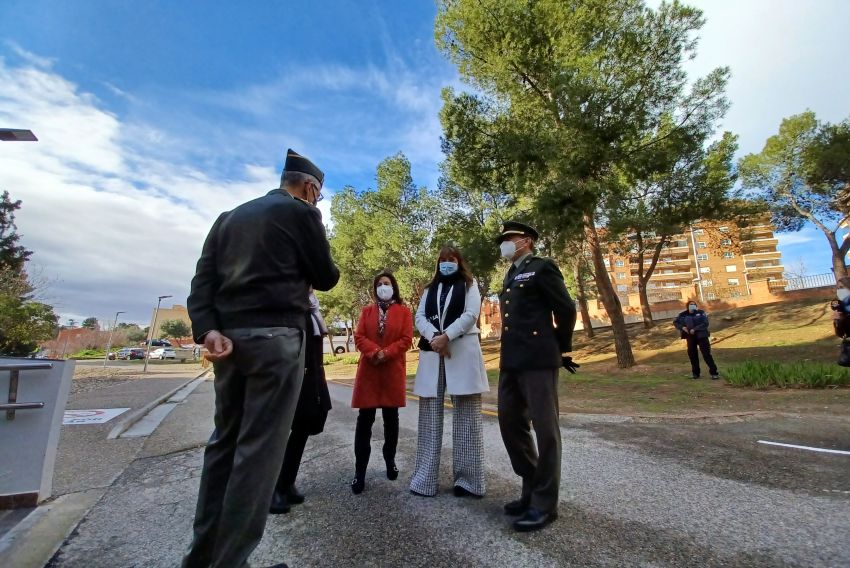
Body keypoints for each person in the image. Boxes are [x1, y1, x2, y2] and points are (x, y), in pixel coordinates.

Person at [182, 149, 339, 568]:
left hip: (228, 343)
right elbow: (326, 276)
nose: (316, 202)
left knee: (224, 446)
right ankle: (231, 562)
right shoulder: (302, 214)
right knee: (258, 455)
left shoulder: (228, 217)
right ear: (310, 187)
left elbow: (202, 284)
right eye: (318, 196)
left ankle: (202, 558)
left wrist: (208, 330)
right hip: (277, 340)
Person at [496, 221, 577, 533]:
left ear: (526, 240)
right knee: (509, 424)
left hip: (538, 361)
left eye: (509, 238)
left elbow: (566, 308)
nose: (504, 244)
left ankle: (544, 505)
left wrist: (561, 347)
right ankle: (531, 487)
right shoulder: (511, 273)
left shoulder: (542, 267)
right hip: (511, 361)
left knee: (546, 433)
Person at [409, 246, 489, 498]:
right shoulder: (429, 288)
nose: (446, 264)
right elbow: (420, 317)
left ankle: (469, 482)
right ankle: (424, 480)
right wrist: (435, 337)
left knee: (468, 419)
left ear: (459, 261)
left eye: (450, 259)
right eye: (442, 260)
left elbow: (471, 314)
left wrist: (447, 336)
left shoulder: (469, 284)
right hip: (433, 352)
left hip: (462, 351)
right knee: (429, 418)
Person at [269, 291, 332, 515]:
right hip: (287, 377)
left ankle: (286, 481)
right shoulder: (287, 303)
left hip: (311, 376)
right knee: (277, 433)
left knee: (303, 428)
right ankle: (271, 489)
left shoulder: (312, 307)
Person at [350, 271, 413, 494]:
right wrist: (374, 352)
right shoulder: (366, 311)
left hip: (391, 371)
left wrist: (386, 353)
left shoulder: (404, 312)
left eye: (386, 283)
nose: (383, 287)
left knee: (391, 421)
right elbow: (359, 337)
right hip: (369, 371)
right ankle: (360, 472)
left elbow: (406, 339)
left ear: (394, 287)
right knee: (364, 421)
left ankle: (390, 461)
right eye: (379, 284)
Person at [673, 300, 719, 380]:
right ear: (687, 306)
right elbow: (676, 322)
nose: (692, 305)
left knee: (706, 354)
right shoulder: (683, 314)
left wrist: (695, 329)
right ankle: (695, 373)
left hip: (702, 336)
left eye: (694, 304)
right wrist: (683, 327)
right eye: (691, 304)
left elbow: (705, 323)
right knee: (692, 355)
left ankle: (714, 373)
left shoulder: (701, 313)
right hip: (690, 337)